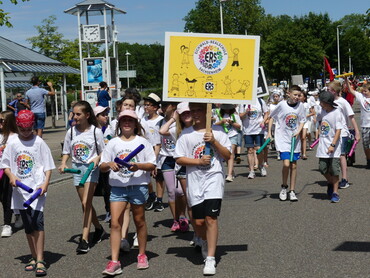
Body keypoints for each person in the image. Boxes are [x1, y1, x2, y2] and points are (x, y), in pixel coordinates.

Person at [174, 102, 231, 276]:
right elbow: (179, 159)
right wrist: (198, 161)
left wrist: (214, 141)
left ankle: (211, 258)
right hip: (195, 181)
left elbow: (228, 155)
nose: (196, 113)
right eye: (194, 110)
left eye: (200, 110)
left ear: (208, 112)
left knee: (211, 218)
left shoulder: (218, 132)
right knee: (198, 223)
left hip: (213, 178)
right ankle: (204, 240)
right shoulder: (186, 134)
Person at [100, 110, 156, 275]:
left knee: (139, 221)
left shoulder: (142, 142)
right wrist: (109, 164)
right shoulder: (113, 143)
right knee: (115, 223)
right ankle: (115, 261)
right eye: (124, 120)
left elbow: (152, 165)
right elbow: (102, 166)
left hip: (138, 185)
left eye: (130, 120)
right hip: (117, 187)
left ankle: (142, 254)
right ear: (119, 123)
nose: (127, 123)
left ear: (135, 124)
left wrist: (137, 166)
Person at [1, 110, 55, 276]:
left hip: (36, 190)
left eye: (28, 129)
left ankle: (40, 258)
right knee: (28, 225)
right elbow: (6, 165)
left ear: (33, 126)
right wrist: (11, 176)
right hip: (20, 191)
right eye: (22, 129)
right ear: (17, 126)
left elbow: (48, 166)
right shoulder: (13, 143)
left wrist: (45, 184)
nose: (25, 133)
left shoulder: (38, 142)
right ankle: (32, 255)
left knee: (38, 223)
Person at [58, 101, 106, 254]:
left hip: (91, 169)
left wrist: (97, 159)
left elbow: (104, 152)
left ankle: (84, 239)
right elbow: (66, 151)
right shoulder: (71, 132)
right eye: (73, 113)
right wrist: (64, 163)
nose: (75, 116)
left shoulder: (95, 131)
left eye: (78, 114)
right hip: (77, 169)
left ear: (87, 115)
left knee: (86, 202)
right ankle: (98, 229)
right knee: (86, 204)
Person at [268, 85, 306, 202]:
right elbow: (271, 118)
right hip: (283, 139)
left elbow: (302, 121)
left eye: (299, 95)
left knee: (293, 165)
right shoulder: (282, 105)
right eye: (295, 95)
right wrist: (269, 133)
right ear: (288, 94)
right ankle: (284, 187)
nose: (297, 97)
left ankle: (292, 190)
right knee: (286, 164)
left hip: (294, 139)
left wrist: (298, 132)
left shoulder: (301, 107)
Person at [327, 80, 360, 188]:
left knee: (342, 156)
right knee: (331, 156)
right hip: (331, 133)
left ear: (336, 91)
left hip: (342, 133)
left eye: (329, 90)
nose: (327, 92)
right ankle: (333, 177)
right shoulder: (327, 102)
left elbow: (351, 117)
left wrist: (357, 132)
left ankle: (344, 178)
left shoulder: (343, 102)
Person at [315, 90, 343, 202]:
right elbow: (319, 121)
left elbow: (338, 130)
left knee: (335, 170)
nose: (320, 104)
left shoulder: (337, 113)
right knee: (322, 168)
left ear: (327, 102)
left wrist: (333, 144)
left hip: (334, 147)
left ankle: (335, 192)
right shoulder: (322, 111)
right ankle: (331, 182)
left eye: (321, 102)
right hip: (323, 145)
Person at [140, 93, 163, 211]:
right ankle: (151, 195)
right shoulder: (142, 120)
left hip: (158, 152)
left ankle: (159, 200)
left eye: (148, 105)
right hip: (145, 152)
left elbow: (158, 143)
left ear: (155, 107)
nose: (146, 107)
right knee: (146, 176)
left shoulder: (160, 120)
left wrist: (154, 159)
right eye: (145, 105)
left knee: (158, 177)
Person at [93, 106, 114, 223]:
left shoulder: (110, 129)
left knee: (109, 188)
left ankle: (111, 211)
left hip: (108, 164)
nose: (106, 116)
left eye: (106, 114)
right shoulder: (92, 131)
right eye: (103, 114)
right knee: (102, 189)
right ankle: (107, 210)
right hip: (96, 164)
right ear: (96, 117)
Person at [343, 78, 370, 168]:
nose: (364, 93)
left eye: (365, 91)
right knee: (366, 145)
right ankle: (368, 159)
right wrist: (346, 80)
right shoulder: (361, 97)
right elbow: (351, 90)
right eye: (363, 91)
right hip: (365, 125)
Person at [239, 98, 269, 179]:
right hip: (248, 130)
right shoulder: (244, 102)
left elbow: (266, 113)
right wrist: (246, 112)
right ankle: (251, 171)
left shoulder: (260, 101)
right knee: (250, 150)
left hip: (259, 130)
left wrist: (263, 121)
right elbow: (241, 116)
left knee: (259, 149)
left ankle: (261, 165)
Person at [0, 111, 18, 237]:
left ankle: (7, 224)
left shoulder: (16, 137)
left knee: (7, 198)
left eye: (2, 120)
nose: (0, 122)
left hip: (8, 172)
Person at [213, 104, 241, 182]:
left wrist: (232, 123)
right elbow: (214, 125)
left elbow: (239, 126)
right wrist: (221, 122)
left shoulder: (235, 115)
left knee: (230, 154)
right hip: (223, 136)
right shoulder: (219, 115)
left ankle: (229, 175)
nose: (227, 109)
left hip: (233, 135)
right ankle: (231, 170)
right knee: (225, 156)